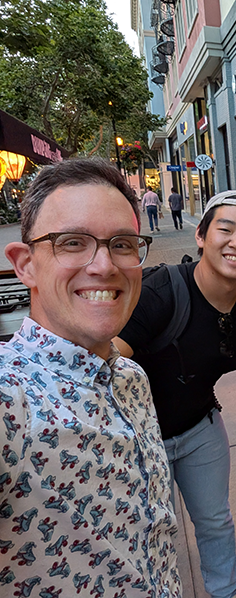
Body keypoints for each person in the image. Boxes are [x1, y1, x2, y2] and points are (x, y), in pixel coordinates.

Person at [1, 158, 181, 597]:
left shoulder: (131, 377)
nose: (104, 265)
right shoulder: (12, 398)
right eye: (73, 243)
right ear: (24, 264)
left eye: (122, 244)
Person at [114, 191, 236, 598]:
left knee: (215, 521)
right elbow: (102, 363)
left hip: (201, 427)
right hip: (139, 440)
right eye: (225, 228)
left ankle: (225, 590)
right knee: (149, 529)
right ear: (201, 236)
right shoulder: (159, 292)